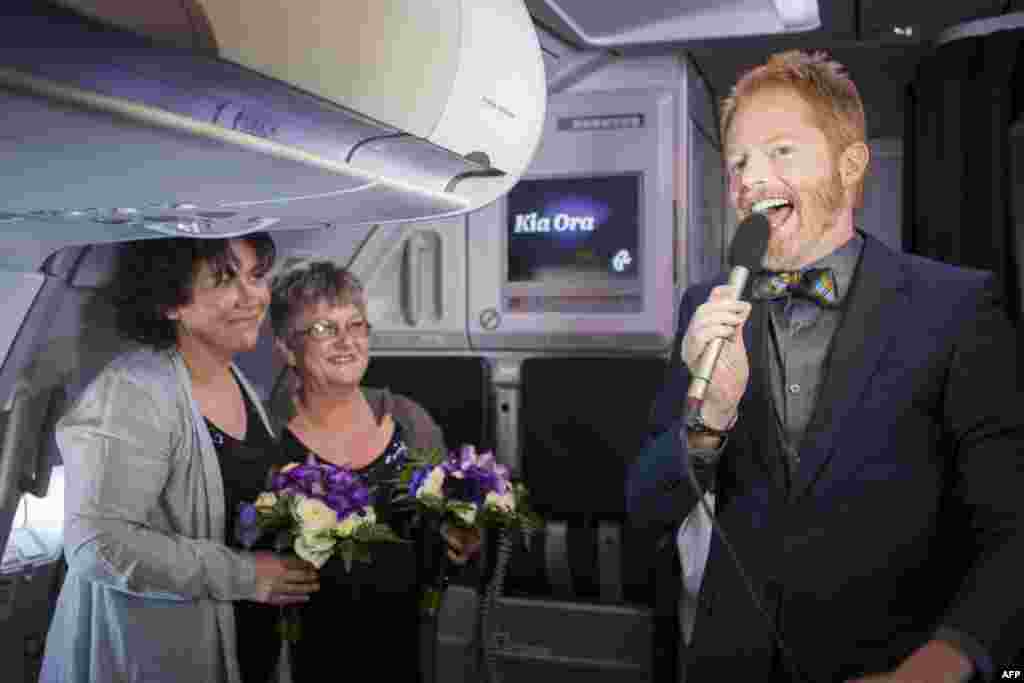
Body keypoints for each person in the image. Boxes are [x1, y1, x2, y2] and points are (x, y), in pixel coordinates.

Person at [627, 50, 1023, 683]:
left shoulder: (958, 306)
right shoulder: (706, 306)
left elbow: (1012, 532)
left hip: (892, 662)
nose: (752, 179)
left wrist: (947, 661)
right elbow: (646, 508)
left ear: (851, 164)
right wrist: (710, 421)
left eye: (780, 151)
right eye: (738, 163)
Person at [39, 235, 320, 683]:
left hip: (242, 641)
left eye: (256, 276)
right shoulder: (135, 391)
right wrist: (245, 576)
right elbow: (97, 544)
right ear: (171, 304)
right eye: (226, 280)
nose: (253, 297)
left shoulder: (234, 377)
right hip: (155, 656)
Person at [267, 258, 481, 682]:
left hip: (409, 649)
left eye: (356, 325)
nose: (346, 341)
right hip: (305, 658)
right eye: (324, 329)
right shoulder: (267, 438)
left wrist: (463, 536)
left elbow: (452, 525)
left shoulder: (410, 420)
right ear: (286, 348)